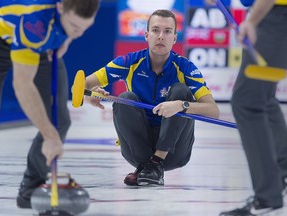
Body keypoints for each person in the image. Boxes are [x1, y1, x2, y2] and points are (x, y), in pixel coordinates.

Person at [84, 9, 220, 186]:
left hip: (175, 152)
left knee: (181, 92)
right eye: (156, 30)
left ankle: (155, 164)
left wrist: (182, 105)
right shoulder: (129, 61)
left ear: (174, 38)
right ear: (147, 35)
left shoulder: (186, 68)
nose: (161, 36)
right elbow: (83, 85)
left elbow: (213, 111)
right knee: (124, 98)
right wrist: (91, 95)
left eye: (167, 31)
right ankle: (148, 167)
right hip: (138, 152)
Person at [0, 0, 100, 208]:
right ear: (60, 7)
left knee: (59, 120)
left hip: (42, 42)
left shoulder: (70, 17)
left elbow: (72, 28)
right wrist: (49, 136)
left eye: (85, 28)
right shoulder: (35, 21)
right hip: (6, 39)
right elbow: (22, 85)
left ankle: (30, 187)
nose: (78, 34)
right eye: (74, 27)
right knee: (51, 130)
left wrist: (67, 37)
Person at [205, 0, 287, 215]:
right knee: (263, 98)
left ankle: (267, 196)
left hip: (275, 16)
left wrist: (252, 19)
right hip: (273, 16)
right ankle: (282, 172)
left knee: (248, 103)